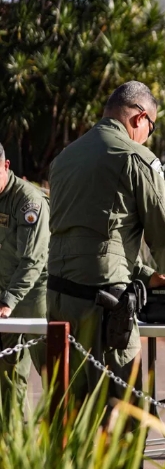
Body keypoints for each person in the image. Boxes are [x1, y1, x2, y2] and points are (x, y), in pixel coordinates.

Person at [47, 80, 165, 405]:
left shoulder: (65, 158)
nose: (146, 137)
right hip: (104, 306)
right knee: (122, 411)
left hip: (58, 297)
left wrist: (143, 274)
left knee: (68, 408)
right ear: (140, 118)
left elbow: (95, 234)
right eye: (150, 129)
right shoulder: (135, 157)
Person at [0, 142, 49, 405]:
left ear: (6, 166)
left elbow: (33, 259)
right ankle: (11, 440)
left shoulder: (29, 201)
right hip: (4, 292)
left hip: (33, 293)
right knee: (9, 372)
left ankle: (60, 437)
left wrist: (9, 301)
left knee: (49, 370)